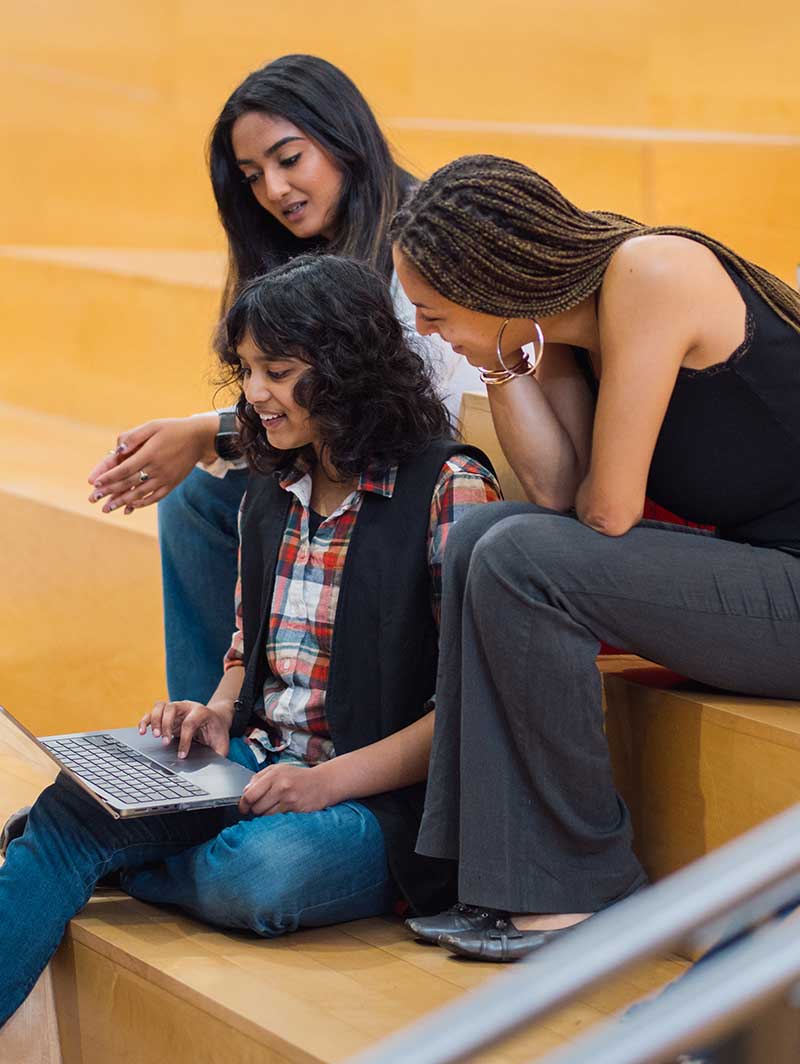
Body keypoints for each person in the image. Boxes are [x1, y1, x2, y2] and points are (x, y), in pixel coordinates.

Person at [0, 255, 500, 1024]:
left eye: (278, 370)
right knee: (80, 802)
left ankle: (107, 845)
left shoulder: (451, 486)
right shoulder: (270, 487)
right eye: (248, 370)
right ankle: (97, 833)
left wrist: (325, 785)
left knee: (256, 877)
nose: (253, 395)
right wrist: (218, 712)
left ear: (347, 366)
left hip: (383, 804)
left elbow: (471, 712)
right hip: (261, 763)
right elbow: (249, 649)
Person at [388, 154, 800, 962]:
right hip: (768, 573)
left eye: (435, 314)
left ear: (493, 282)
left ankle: (587, 888)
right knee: (482, 538)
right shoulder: (578, 328)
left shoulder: (651, 272)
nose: (428, 334)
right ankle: (500, 882)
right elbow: (554, 495)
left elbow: (607, 513)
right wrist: (503, 359)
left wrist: (504, 339)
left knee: (515, 558)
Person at [85, 54, 482, 704]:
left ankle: (267, 734)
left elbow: (421, 423)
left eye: (289, 158)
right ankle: (212, 732)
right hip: (350, 468)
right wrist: (211, 434)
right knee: (199, 501)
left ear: (343, 138)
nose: (272, 189)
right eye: (252, 176)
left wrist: (210, 433)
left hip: (430, 481)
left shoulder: (423, 240)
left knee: (211, 490)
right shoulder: (300, 252)